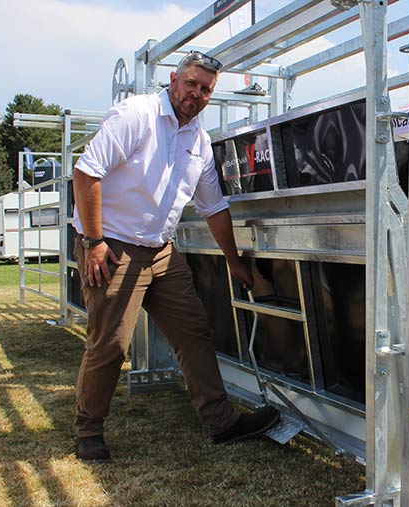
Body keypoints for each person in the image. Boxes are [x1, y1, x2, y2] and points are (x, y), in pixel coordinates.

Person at [71, 51, 280, 462]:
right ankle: (88, 432)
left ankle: (222, 423)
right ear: (173, 79)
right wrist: (94, 242)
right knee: (110, 345)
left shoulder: (198, 140)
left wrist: (234, 260)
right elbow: (86, 172)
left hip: (162, 251)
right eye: (191, 84)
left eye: (206, 89)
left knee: (193, 331)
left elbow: (214, 207)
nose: (196, 94)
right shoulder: (137, 115)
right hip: (112, 246)